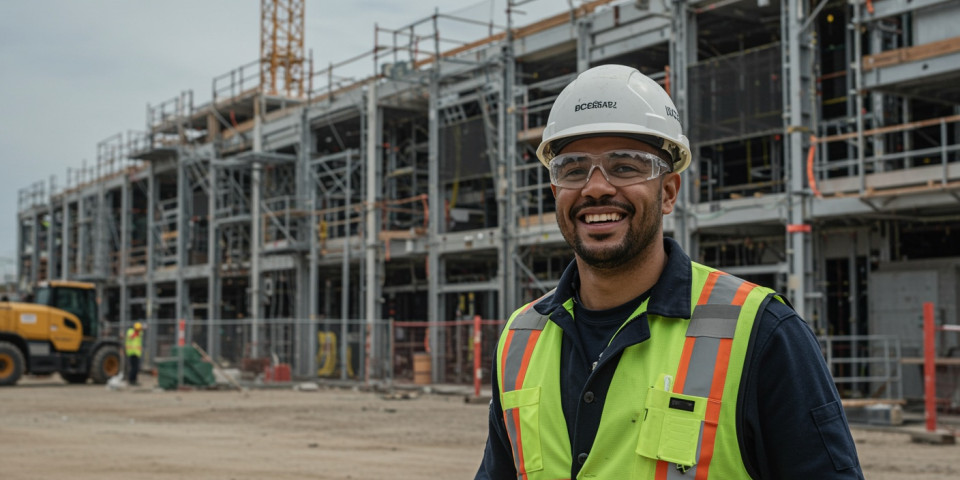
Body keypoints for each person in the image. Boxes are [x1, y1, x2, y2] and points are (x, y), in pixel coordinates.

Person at [475, 65, 863, 479]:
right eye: (572, 170)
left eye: (625, 166)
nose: (595, 187)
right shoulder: (520, 337)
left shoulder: (761, 334)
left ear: (669, 192)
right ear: (556, 194)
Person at [125, 322, 144, 386]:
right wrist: (136, 332)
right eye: (138, 329)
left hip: (137, 353)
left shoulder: (139, 333)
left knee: (136, 368)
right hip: (132, 352)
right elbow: (131, 336)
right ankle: (131, 380)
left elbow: (141, 332)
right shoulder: (130, 331)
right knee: (134, 367)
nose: (139, 331)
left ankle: (134, 380)